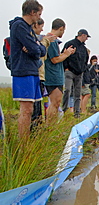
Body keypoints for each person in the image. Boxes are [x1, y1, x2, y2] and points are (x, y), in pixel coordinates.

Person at [9, 0, 46, 139]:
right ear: (32, 12)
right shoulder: (19, 26)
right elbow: (35, 48)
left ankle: (28, 141)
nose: (39, 17)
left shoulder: (29, 28)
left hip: (32, 70)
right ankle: (23, 144)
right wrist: (34, 47)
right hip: (23, 71)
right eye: (39, 14)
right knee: (26, 109)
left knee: (31, 109)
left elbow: (40, 50)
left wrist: (35, 47)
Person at [44, 18, 75, 123]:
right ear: (61, 28)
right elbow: (55, 59)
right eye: (64, 30)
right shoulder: (52, 41)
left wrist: (65, 53)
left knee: (55, 103)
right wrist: (66, 54)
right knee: (55, 103)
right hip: (53, 77)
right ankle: (50, 127)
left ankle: (51, 126)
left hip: (54, 76)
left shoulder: (52, 40)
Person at [31, 18, 56, 126]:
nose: (42, 30)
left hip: (40, 76)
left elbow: (43, 56)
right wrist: (45, 42)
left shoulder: (36, 39)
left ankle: (38, 128)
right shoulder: (32, 39)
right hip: (35, 75)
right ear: (36, 25)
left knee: (38, 106)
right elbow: (40, 55)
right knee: (34, 107)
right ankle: (34, 130)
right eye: (41, 27)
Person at [61, 29, 90, 118]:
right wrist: (65, 68)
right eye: (86, 37)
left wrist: (83, 69)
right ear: (83, 35)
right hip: (69, 71)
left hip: (79, 73)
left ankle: (77, 112)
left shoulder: (84, 48)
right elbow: (63, 55)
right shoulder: (70, 44)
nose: (86, 39)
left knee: (78, 93)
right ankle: (64, 109)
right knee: (67, 90)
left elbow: (86, 60)